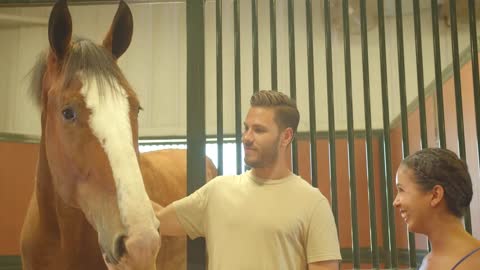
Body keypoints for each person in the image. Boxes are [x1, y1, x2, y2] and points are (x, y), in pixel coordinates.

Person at [157, 90, 341, 270]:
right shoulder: (217, 191)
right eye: (246, 128)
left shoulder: (312, 203)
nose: (246, 138)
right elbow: (154, 223)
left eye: (259, 130)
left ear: (286, 136)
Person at [393, 148, 480, 270]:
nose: (395, 202)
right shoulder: (428, 260)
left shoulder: (475, 262)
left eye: (401, 190)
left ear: (435, 195)